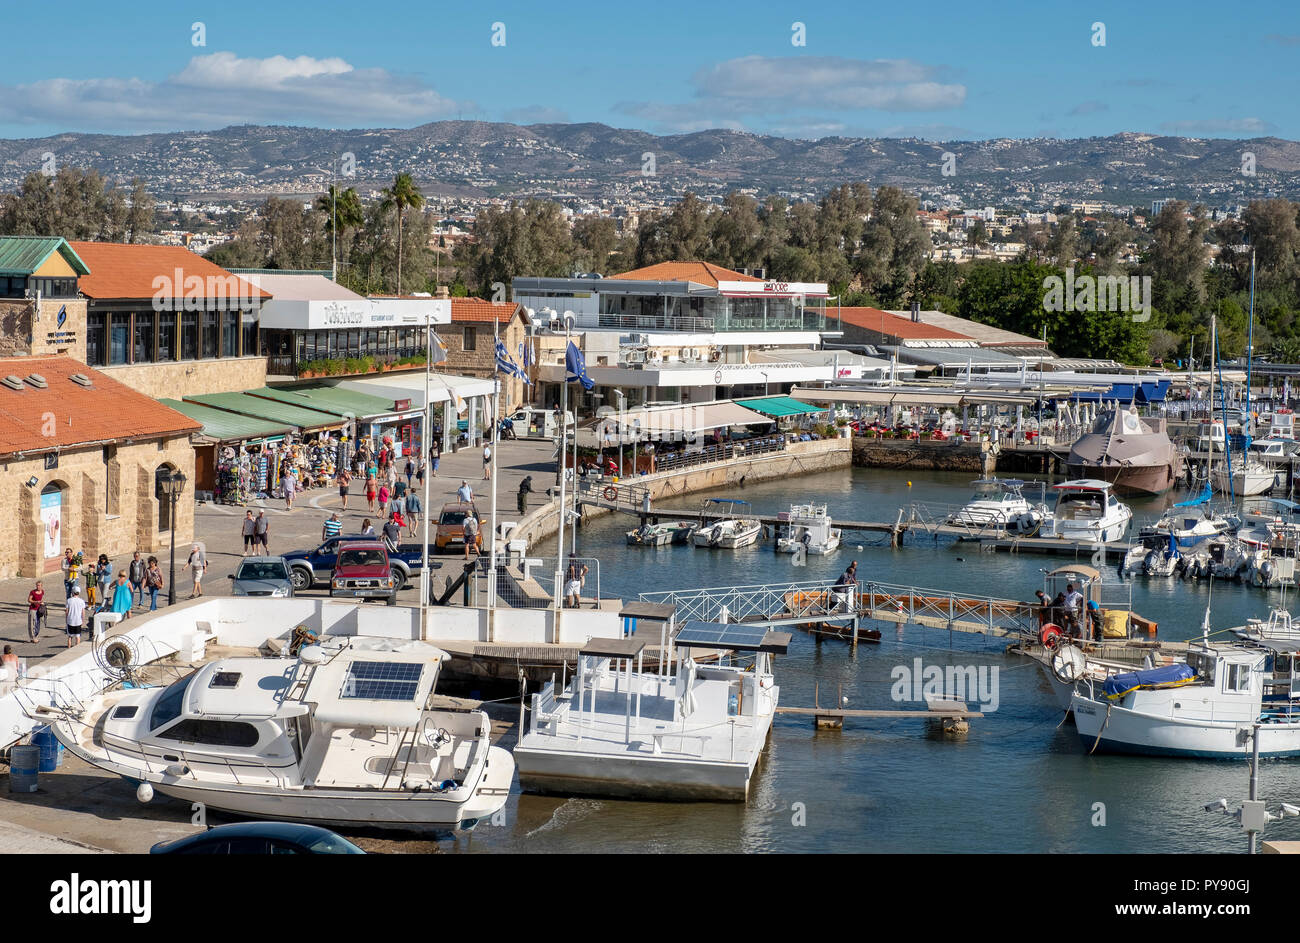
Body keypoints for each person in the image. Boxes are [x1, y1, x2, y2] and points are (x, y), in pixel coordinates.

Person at [64, 585, 85, 649]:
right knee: (78, 636)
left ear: (72, 592)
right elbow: (83, 612)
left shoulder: (69, 600)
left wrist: (66, 619)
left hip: (70, 620)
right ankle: (77, 649)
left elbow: (67, 611)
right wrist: (83, 620)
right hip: (78, 621)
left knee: (70, 637)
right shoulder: (81, 601)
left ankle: (69, 649)